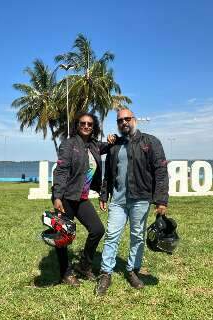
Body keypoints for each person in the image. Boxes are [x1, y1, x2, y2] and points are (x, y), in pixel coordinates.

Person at [95, 108, 169, 295]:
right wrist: (104, 194)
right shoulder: (115, 145)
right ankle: (105, 273)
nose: (124, 123)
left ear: (134, 120)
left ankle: (132, 270)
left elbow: (160, 172)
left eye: (127, 119)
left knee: (137, 236)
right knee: (112, 236)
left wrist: (161, 200)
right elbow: (108, 174)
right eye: (120, 120)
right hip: (118, 201)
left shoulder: (150, 142)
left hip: (141, 200)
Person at [52, 112, 114, 286]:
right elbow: (61, 171)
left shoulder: (94, 145)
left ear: (94, 127)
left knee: (97, 230)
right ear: (77, 125)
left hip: (81, 198)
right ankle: (65, 273)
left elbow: (108, 146)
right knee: (63, 236)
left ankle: (84, 265)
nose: (86, 126)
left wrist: (113, 138)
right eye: (83, 123)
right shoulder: (68, 144)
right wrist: (57, 197)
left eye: (90, 124)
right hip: (66, 197)